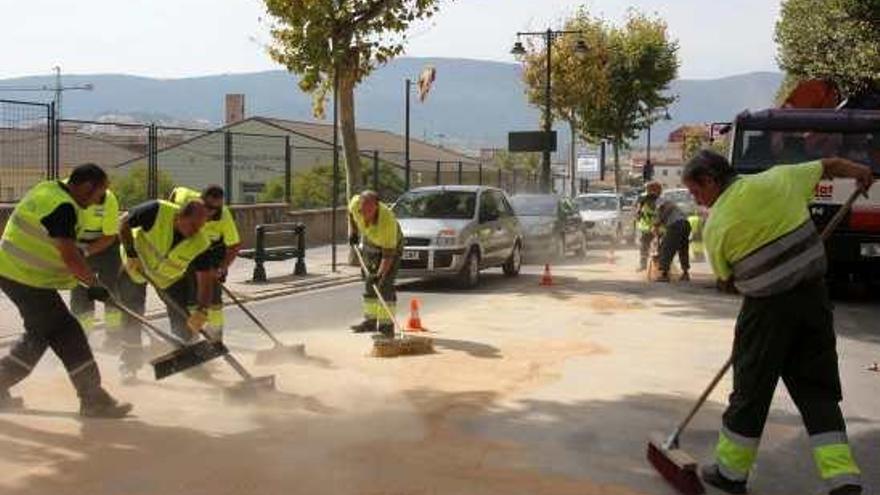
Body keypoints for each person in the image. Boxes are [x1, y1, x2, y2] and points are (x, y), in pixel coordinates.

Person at [682, 149, 869, 495]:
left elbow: (727, 280)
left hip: (765, 311)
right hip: (814, 301)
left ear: (710, 180)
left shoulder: (718, 225)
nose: (698, 201)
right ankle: (843, 478)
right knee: (818, 391)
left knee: (751, 392)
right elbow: (829, 165)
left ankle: (730, 473)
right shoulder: (780, 178)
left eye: (696, 192)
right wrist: (859, 171)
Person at [0, 164, 132, 418]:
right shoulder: (63, 207)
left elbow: (66, 246)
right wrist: (94, 285)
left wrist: (87, 275)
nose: (99, 201)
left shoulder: (49, 190)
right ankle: (93, 400)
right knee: (67, 333)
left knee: (39, 337)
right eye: (99, 194)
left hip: (17, 273)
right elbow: (70, 258)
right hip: (24, 276)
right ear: (85, 187)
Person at [116, 198, 214, 382]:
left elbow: (205, 279)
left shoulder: (201, 242)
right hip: (135, 267)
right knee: (132, 315)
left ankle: (187, 363)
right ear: (179, 217)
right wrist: (131, 253)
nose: (196, 231)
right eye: (193, 225)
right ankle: (129, 366)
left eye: (200, 226)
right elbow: (123, 222)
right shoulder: (156, 210)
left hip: (169, 278)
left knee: (183, 320)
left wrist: (202, 310)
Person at [169, 185, 241, 340]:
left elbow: (234, 245)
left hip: (212, 253)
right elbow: (175, 192)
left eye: (216, 208)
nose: (211, 212)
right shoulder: (186, 200)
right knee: (190, 298)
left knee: (213, 298)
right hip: (188, 250)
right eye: (208, 207)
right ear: (200, 201)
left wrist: (221, 268)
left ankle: (215, 337)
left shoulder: (224, 216)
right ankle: (192, 337)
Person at [68, 185, 124, 350]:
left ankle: (113, 336)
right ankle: (82, 339)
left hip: (107, 248)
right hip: (79, 247)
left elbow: (109, 236)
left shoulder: (109, 199)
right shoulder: (67, 200)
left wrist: (85, 252)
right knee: (80, 294)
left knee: (111, 290)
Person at [348, 191, 403, 337]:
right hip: (370, 240)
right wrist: (353, 232)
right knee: (369, 283)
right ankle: (370, 322)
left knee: (384, 285)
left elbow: (388, 255)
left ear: (376, 207)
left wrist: (379, 275)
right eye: (362, 209)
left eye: (368, 210)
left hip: (389, 248)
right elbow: (350, 213)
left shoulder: (387, 221)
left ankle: (386, 328)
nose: (363, 213)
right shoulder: (356, 204)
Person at [653, 192, 691, 282]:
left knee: (666, 249)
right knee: (683, 248)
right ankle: (685, 273)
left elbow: (669, 207)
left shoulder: (664, 203)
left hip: (677, 225)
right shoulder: (668, 207)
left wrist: (658, 222)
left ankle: (664, 274)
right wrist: (658, 232)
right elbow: (664, 228)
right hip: (685, 224)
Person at [635, 183, 660, 272]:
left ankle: (659, 267)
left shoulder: (659, 202)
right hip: (646, 229)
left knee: (657, 248)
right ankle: (643, 265)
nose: (651, 202)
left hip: (656, 229)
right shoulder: (643, 201)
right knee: (644, 247)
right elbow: (638, 213)